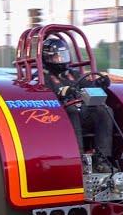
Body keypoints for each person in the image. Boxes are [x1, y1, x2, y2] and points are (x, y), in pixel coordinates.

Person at [41, 37, 114, 172]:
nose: (61, 60)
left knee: (104, 110)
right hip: (57, 119)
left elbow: (89, 88)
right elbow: (42, 97)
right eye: (57, 57)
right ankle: (80, 160)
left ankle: (102, 159)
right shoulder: (42, 78)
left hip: (81, 115)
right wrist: (61, 92)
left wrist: (99, 84)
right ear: (48, 58)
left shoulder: (74, 75)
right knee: (72, 109)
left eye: (63, 56)